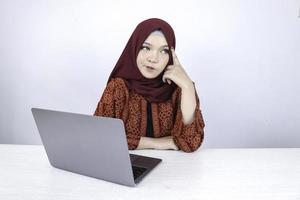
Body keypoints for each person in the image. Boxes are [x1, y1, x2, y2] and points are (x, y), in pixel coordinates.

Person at [94, 18, 205, 152]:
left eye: (164, 51)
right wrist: (157, 143)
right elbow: (98, 137)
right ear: (134, 48)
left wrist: (187, 86)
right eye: (146, 48)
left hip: (173, 168)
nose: (153, 58)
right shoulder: (118, 87)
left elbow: (190, 142)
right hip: (127, 167)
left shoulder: (180, 88)